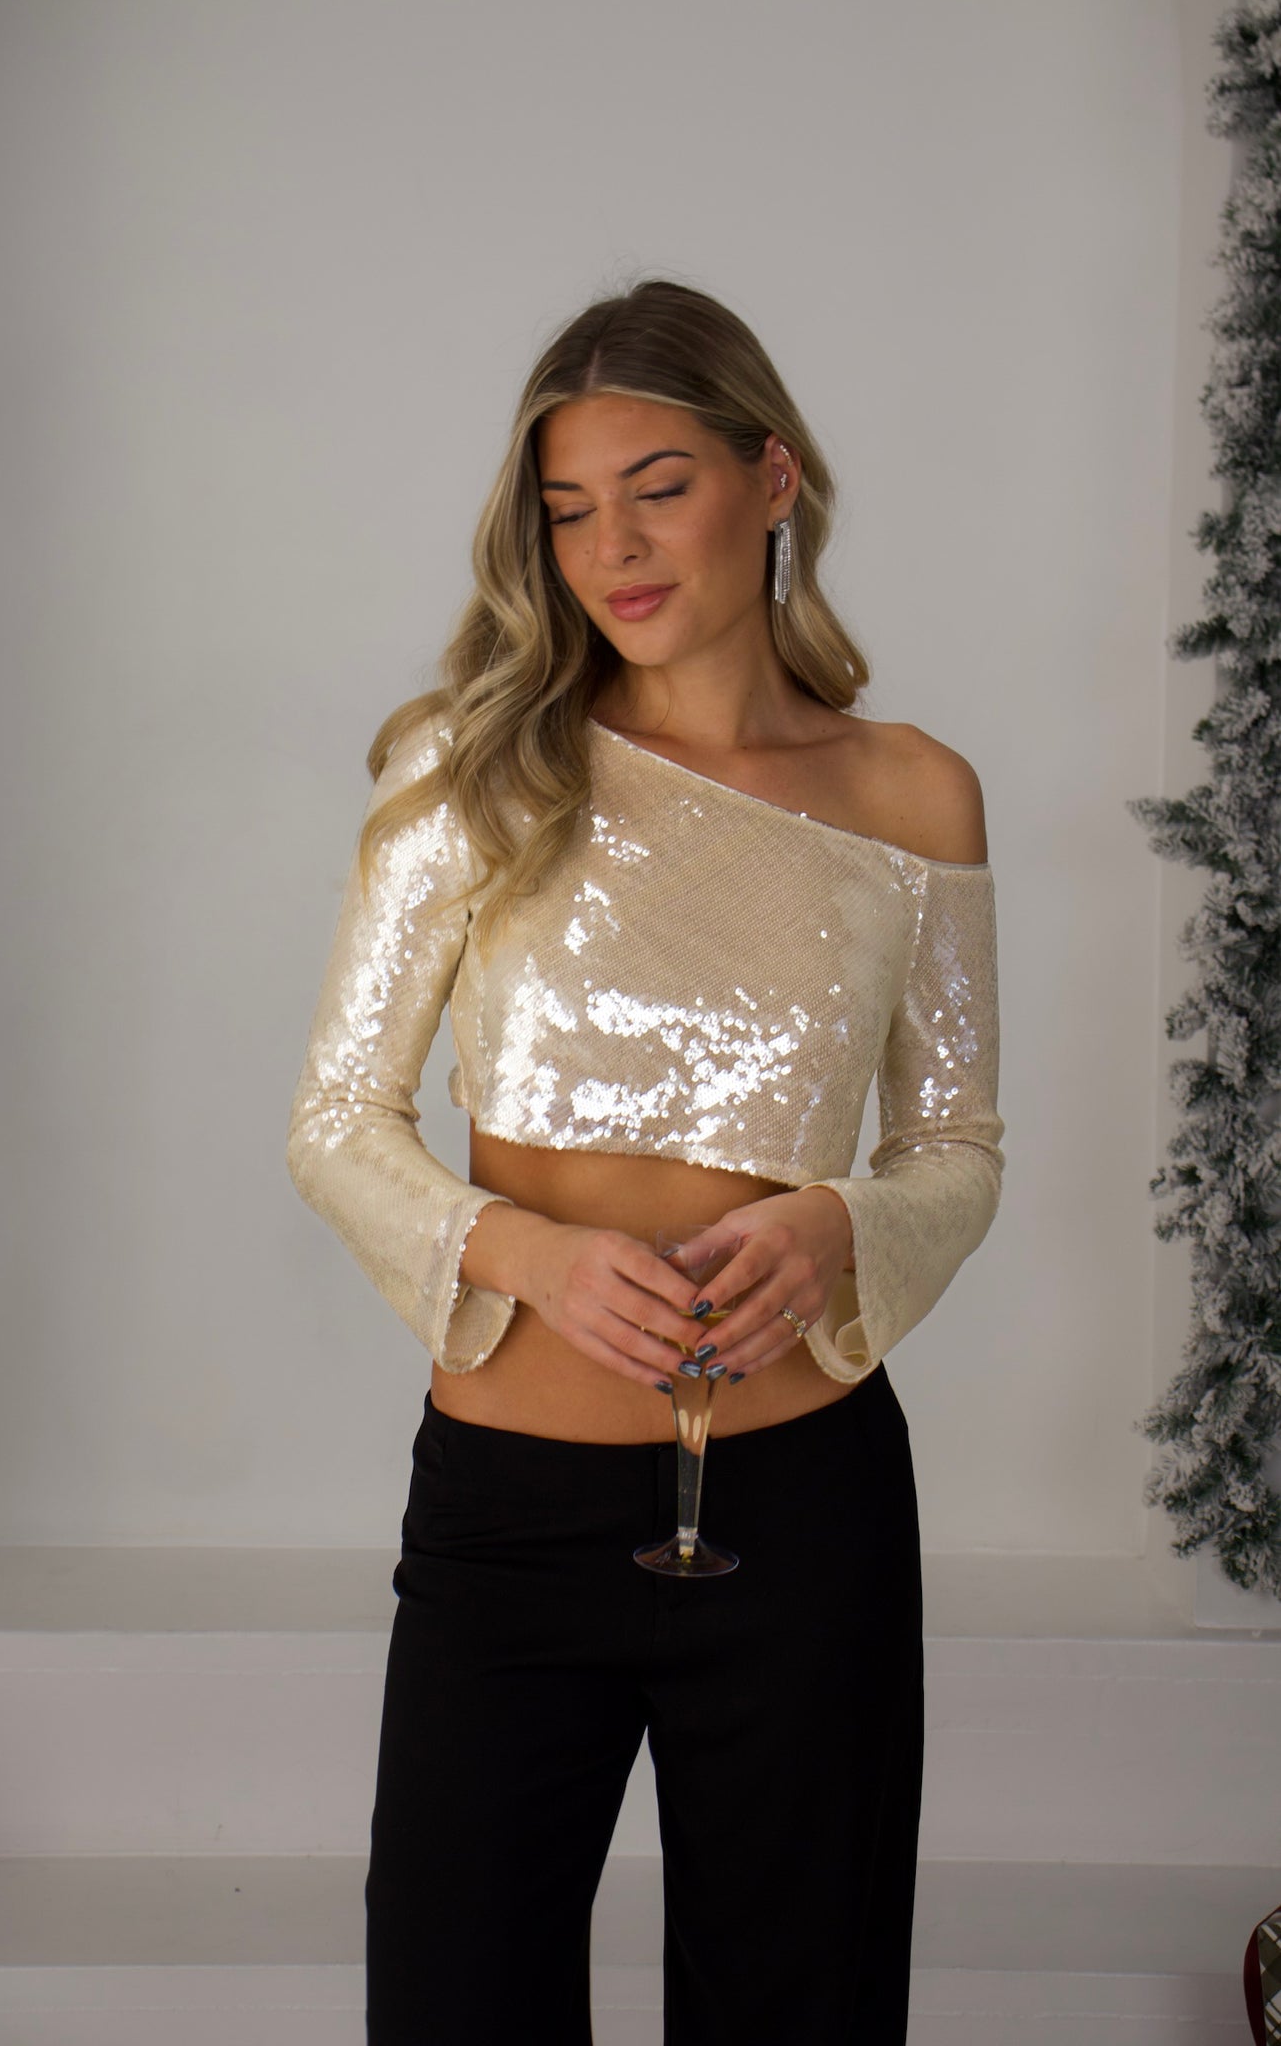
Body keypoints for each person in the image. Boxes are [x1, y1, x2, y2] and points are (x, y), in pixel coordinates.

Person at [285, 275, 1005, 2045]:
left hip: (807, 1514)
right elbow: (338, 1120)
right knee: (457, 2001)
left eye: (657, 487)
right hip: (510, 1521)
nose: (610, 545)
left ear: (772, 477)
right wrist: (526, 1254)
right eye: (567, 507)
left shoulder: (910, 794)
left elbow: (953, 1144)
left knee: (802, 2008)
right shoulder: (476, 766)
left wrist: (842, 1224)